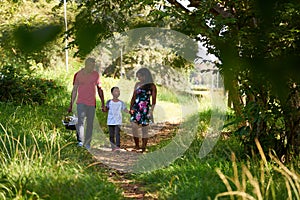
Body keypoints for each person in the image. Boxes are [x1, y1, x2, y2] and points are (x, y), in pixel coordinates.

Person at [68, 57, 105, 150]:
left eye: (94, 66)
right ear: (86, 65)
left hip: (91, 103)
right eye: (91, 65)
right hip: (81, 102)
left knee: (90, 123)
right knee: (80, 122)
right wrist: (71, 104)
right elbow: (74, 90)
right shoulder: (78, 75)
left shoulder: (95, 75)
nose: (92, 67)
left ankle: (87, 143)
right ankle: (80, 141)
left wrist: (103, 103)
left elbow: (99, 89)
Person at [130, 68, 157, 152]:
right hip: (136, 108)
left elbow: (154, 101)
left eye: (140, 76)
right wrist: (131, 108)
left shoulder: (152, 86)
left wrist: (151, 111)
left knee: (144, 129)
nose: (138, 78)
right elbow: (133, 97)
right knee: (134, 127)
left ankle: (143, 147)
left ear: (145, 76)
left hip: (145, 109)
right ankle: (137, 145)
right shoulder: (137, 84)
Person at [104, 87, 129, 151]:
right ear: (112, 93)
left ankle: (117, 146)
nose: (117, 92)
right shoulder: (109, 102)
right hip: (110, 120)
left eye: (118, 91)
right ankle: (113, 147)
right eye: (115, 91)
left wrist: (130, 112)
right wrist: (104, 109)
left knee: (117, 133)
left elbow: (125, 109)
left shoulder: (121, 103)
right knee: (111, 135)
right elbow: (106, 109)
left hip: (118, 121)